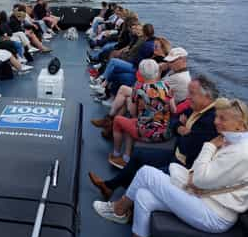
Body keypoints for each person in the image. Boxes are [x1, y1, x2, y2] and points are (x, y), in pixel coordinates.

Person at [93, 97, 248, 237]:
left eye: (222, 119)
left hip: (215, 215)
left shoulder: (239, 152)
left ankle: (119, 209)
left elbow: (198, 178)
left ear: (240, 124)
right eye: (216, 116)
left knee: (146, 173)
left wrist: (210, 146)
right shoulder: (230, 141)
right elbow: (197, 172)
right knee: (144, 196)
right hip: (204, 199)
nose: (216, 121)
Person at [88, 75, 219, 201]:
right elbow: (173, 120)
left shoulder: (210, 120)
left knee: (145, 173)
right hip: (176, 154)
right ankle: (109, 187)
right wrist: (180, 128)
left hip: (184, 166)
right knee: (138, 155)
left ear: (206, 96)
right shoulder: (196, 108)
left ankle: (123, 207)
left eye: (192, 93)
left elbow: (188, 146)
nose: (188, 96)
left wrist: (182, 131)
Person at [108, 59, 175, 169]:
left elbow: (133, 112)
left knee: (118, 120)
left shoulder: (138, 89)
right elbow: (173, 110)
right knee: (131, 124)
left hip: (147, 134)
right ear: (157, 72)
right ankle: (126, 158)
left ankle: (116, 154)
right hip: (165, 133)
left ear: (141, 73)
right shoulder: (166, 86)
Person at [162, 47, 191, 113]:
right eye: (168, 61)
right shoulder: (176, 72)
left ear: (183, 60)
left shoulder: (180, 77)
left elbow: (154, 87)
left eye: (172, 61)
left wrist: (160, 69)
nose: (169, 64)